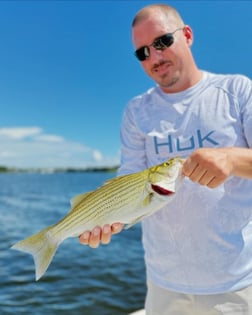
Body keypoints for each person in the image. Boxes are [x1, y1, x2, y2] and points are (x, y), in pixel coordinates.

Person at [79, 3, 252, 314]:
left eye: (161, 42)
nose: (154, 57)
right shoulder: (136, 111)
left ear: (186, 35)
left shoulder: (237, 90)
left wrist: (232, 159)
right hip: (163, 284)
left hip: (235, 283)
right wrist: (102, 218)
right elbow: (128, 180)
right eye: (142, 52)